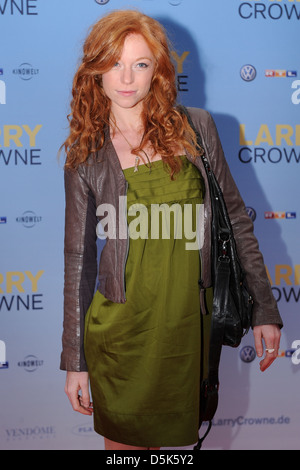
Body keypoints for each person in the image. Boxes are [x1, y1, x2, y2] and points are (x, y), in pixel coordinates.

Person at [60, 10, 283, 451]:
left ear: (158, 71)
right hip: (122, 334)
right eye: (113, 63)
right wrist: (74, 361)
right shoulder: (86, 154)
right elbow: (78, 261)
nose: (126, 78)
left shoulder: (196, 127)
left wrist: (264, 308)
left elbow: (236, 219)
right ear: (95, 71)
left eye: (140, 64)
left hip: (188, 326)